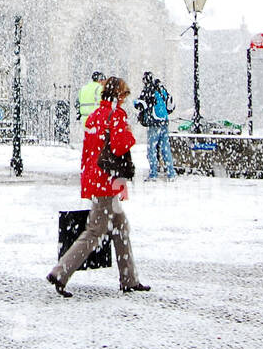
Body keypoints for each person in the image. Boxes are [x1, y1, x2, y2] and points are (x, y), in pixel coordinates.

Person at [48, 76, 150, 296]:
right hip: (107, 181)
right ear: (119, 96)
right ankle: (61, 272)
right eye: (123, 95)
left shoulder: (94, 116)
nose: (124, 100)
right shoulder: (116, 116)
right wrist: (130, 135)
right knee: (95, 231)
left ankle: (129, 279)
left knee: (121, 227)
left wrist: (88, 180)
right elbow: (121, 145)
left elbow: (88, 153)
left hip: (96, 177)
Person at [136, 71, 176, 181]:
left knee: (152, 148)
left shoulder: (148, 89)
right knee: (165, 148)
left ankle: (153, 173)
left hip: (154, 123)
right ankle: (171, 173)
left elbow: (140, 104)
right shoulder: (161, 88)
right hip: (165, 121)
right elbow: (170, 103)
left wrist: (136, 102)